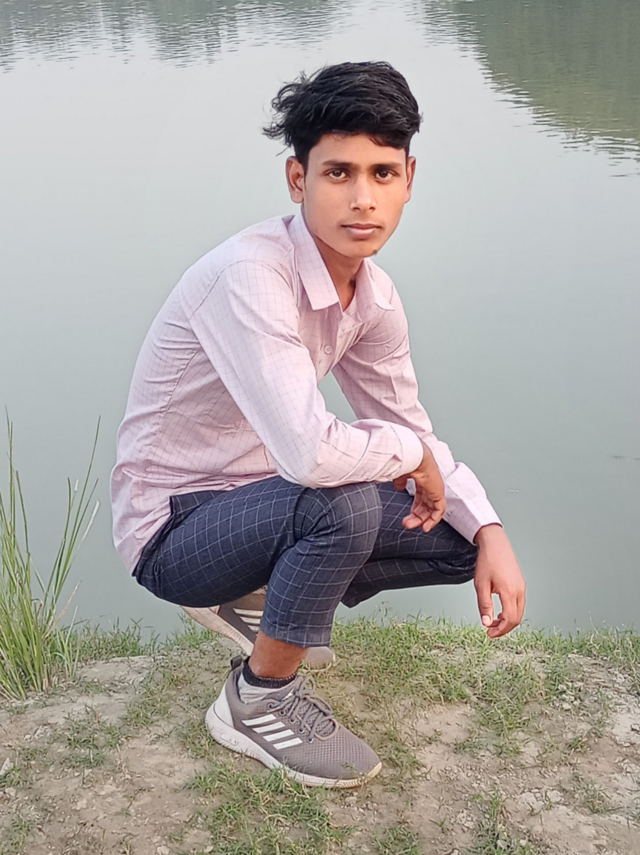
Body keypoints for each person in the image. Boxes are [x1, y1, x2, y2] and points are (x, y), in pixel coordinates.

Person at [110, 61, 526, 789]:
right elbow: (310, 454)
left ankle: (259, 597)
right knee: (342, 497)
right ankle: (257, 699)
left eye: (382, 173)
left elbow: (406, 424)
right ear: (297, 180)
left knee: (455, 536)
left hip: (260, 503)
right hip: (172, 530)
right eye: (338, 173)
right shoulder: (251, 275)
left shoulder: (373, 297)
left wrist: (489, 529)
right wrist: (406, 452)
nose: (363, 199)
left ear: (409, 178)